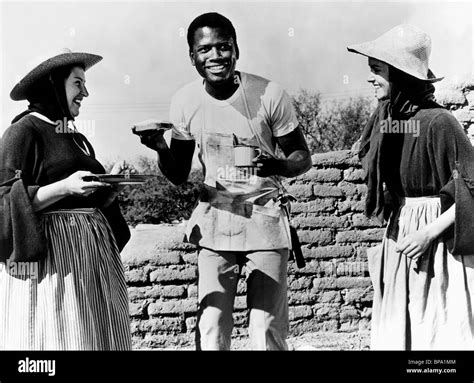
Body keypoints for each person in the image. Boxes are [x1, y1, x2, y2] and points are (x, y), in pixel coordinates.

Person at [138, 12, 311, 350]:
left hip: (264, 219)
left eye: (223, 47)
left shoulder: (269, 94)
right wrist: (159, 146)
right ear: (192, 57)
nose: (215, 56)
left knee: (267, 329)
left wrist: (277, 164)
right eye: (205, 50)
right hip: (216, 221)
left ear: (236, 50)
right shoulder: (185, 101)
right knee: (213, 326)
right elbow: (177, 174)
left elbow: (302, 158)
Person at [347, 24, 474, 350]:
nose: (371, 78)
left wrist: (428, 233)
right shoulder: (386, 121)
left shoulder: (439, 122)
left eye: (377, 70)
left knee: (435, 324)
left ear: (400, 76)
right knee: (398, 327)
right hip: (401, 231)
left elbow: (472, 188)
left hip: (437, 237)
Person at [0, 48, 132, 350]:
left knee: (95, 334)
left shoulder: (74, 135)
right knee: (63, 336)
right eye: (77, 83)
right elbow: (3, 203)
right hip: (54, 264)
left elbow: (84, 200)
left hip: (90, 260)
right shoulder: (21, 133)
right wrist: (64, 188)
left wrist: (110, 190)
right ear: (52, 85)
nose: (86, 92)